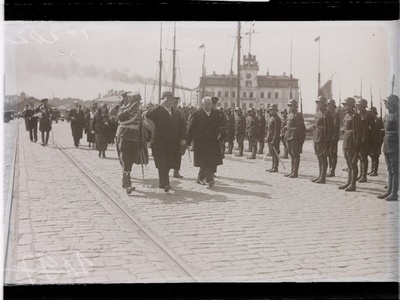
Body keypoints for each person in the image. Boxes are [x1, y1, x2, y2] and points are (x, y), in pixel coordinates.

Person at [146, 91, 187, 192]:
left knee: (169, 163)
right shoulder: (158, 111)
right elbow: (148, 115)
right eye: (168, 100)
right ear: (163, 100)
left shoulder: (177, 112)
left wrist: (183, 138)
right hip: (159, 143)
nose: (171, 102)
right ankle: (166, 183)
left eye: (171, 99)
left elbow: (182, 126)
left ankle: (162, 182)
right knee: (162, 163)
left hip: (173, 143)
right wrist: (160, 105)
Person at [114, 92, 148, 194]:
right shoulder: (123, 109)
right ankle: (128, 185)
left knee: (130, 161)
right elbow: (120, 117)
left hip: (135, 139)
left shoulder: (139, 111)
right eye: (136, 101)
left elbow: (140, 126)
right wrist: (131, 108)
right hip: (124, 138)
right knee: (126, 160)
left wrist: (142, 139)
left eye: (139, 101)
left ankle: (125, 182)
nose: (138, 103)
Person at [186, 96, 223, 188]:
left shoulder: (216, 113)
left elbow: (220, 126)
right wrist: (188, 141)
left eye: (210, 104)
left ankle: (200, 178)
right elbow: (190, 128)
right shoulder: (197, 113)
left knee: (209, 160)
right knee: (203, 160)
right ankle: (210, 179)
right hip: (200, 142)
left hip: (212, 141)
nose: (209, 106)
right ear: (203, 104)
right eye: (207, 104)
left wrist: (221, 135)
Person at [338, 97, 362, 192]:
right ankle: (348, 181)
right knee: (348, 163)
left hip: (352, 142)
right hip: (346, 141)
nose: (344, 106)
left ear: (351, 106)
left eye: (346, 104)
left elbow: (359, 132)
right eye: (344, 105)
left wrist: (357, 144)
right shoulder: (346, 116)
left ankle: (353, 184)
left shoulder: (356, 116)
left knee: (353, 163)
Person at [378, 94, 399, 201]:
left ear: (392, 103)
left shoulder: (397, 115)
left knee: (395, 169)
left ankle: (394, 193)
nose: (385, 103)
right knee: (389, 169)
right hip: (387, 144)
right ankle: (389, 191)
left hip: (395, 145)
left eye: (386, 102)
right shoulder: (387, 115)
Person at [311, 96, 334, 184]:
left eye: (319, 102)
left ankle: (323, 177)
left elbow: (331, 129)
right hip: (317, 137)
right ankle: (320, 175)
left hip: (323, 138)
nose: (318, 104)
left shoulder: (327, 113)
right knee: (319, 157)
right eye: (317, 102)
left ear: (323, 103)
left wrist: (328, 141)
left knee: (323, 157)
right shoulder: (318, 113)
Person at [284, 99, 306, 178]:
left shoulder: (298, 115)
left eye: (291, 105)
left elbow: (301, 129)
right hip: (289, 136)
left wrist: (300, 141)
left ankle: (295, 172)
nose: (290, 107)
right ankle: (292, 171)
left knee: (295, 155)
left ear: (295, 106)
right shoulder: (289, 115)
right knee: (291, 154)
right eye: (289, 105)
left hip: (295, 137)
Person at [355, 99, 373, 183]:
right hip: (359, 138)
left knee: (364, 157)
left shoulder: (368, 115)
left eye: (359, 105)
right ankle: (361, 174)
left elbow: (372, 128)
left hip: (365, 139)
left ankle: (364, 175)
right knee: (359, 156)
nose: (357, 107)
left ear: (363, 106)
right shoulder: (358, 115)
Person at [171, 95, 187, 179]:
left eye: (176, 103)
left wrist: (184, 138)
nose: (175, 104)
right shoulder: (167, 112)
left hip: (177, 138)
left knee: (178, 155)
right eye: (173, 103)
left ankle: (176, 171)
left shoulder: (181, 113)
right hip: (169, 137)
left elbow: (184, 126)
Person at [368, 107, 384, 176]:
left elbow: (381, 132)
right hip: (371, 140)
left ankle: (375, 171)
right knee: (372, 155)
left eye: (370, 112)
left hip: (376, 140)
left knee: (375, 156)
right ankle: (372, 170)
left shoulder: (378, 120)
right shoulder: (371, 120)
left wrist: (380, 143)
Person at [326, 99, 341, 177]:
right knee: (329, 154)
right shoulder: (328, 113)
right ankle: (330, 169)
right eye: (328, 104)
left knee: (333, 154)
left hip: (333, 137)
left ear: (333, 106)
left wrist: (334, 135)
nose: (328, 106)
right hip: (329, 136)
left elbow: (335, 126)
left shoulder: (335, 114)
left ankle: (332, 171)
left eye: (329, 105)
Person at [265, 104, 282, 172]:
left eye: (272, 110)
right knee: (272, 152)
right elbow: (268, 129)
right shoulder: (271, 118)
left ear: (276, 111)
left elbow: (277, 131)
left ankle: (275, 167)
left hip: (274, 138)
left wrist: (274, 140)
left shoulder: (277, 119)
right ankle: (272, 167)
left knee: (275, 153)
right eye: (270, 110)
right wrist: (267, 137)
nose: (271, 111)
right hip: (270, 137)